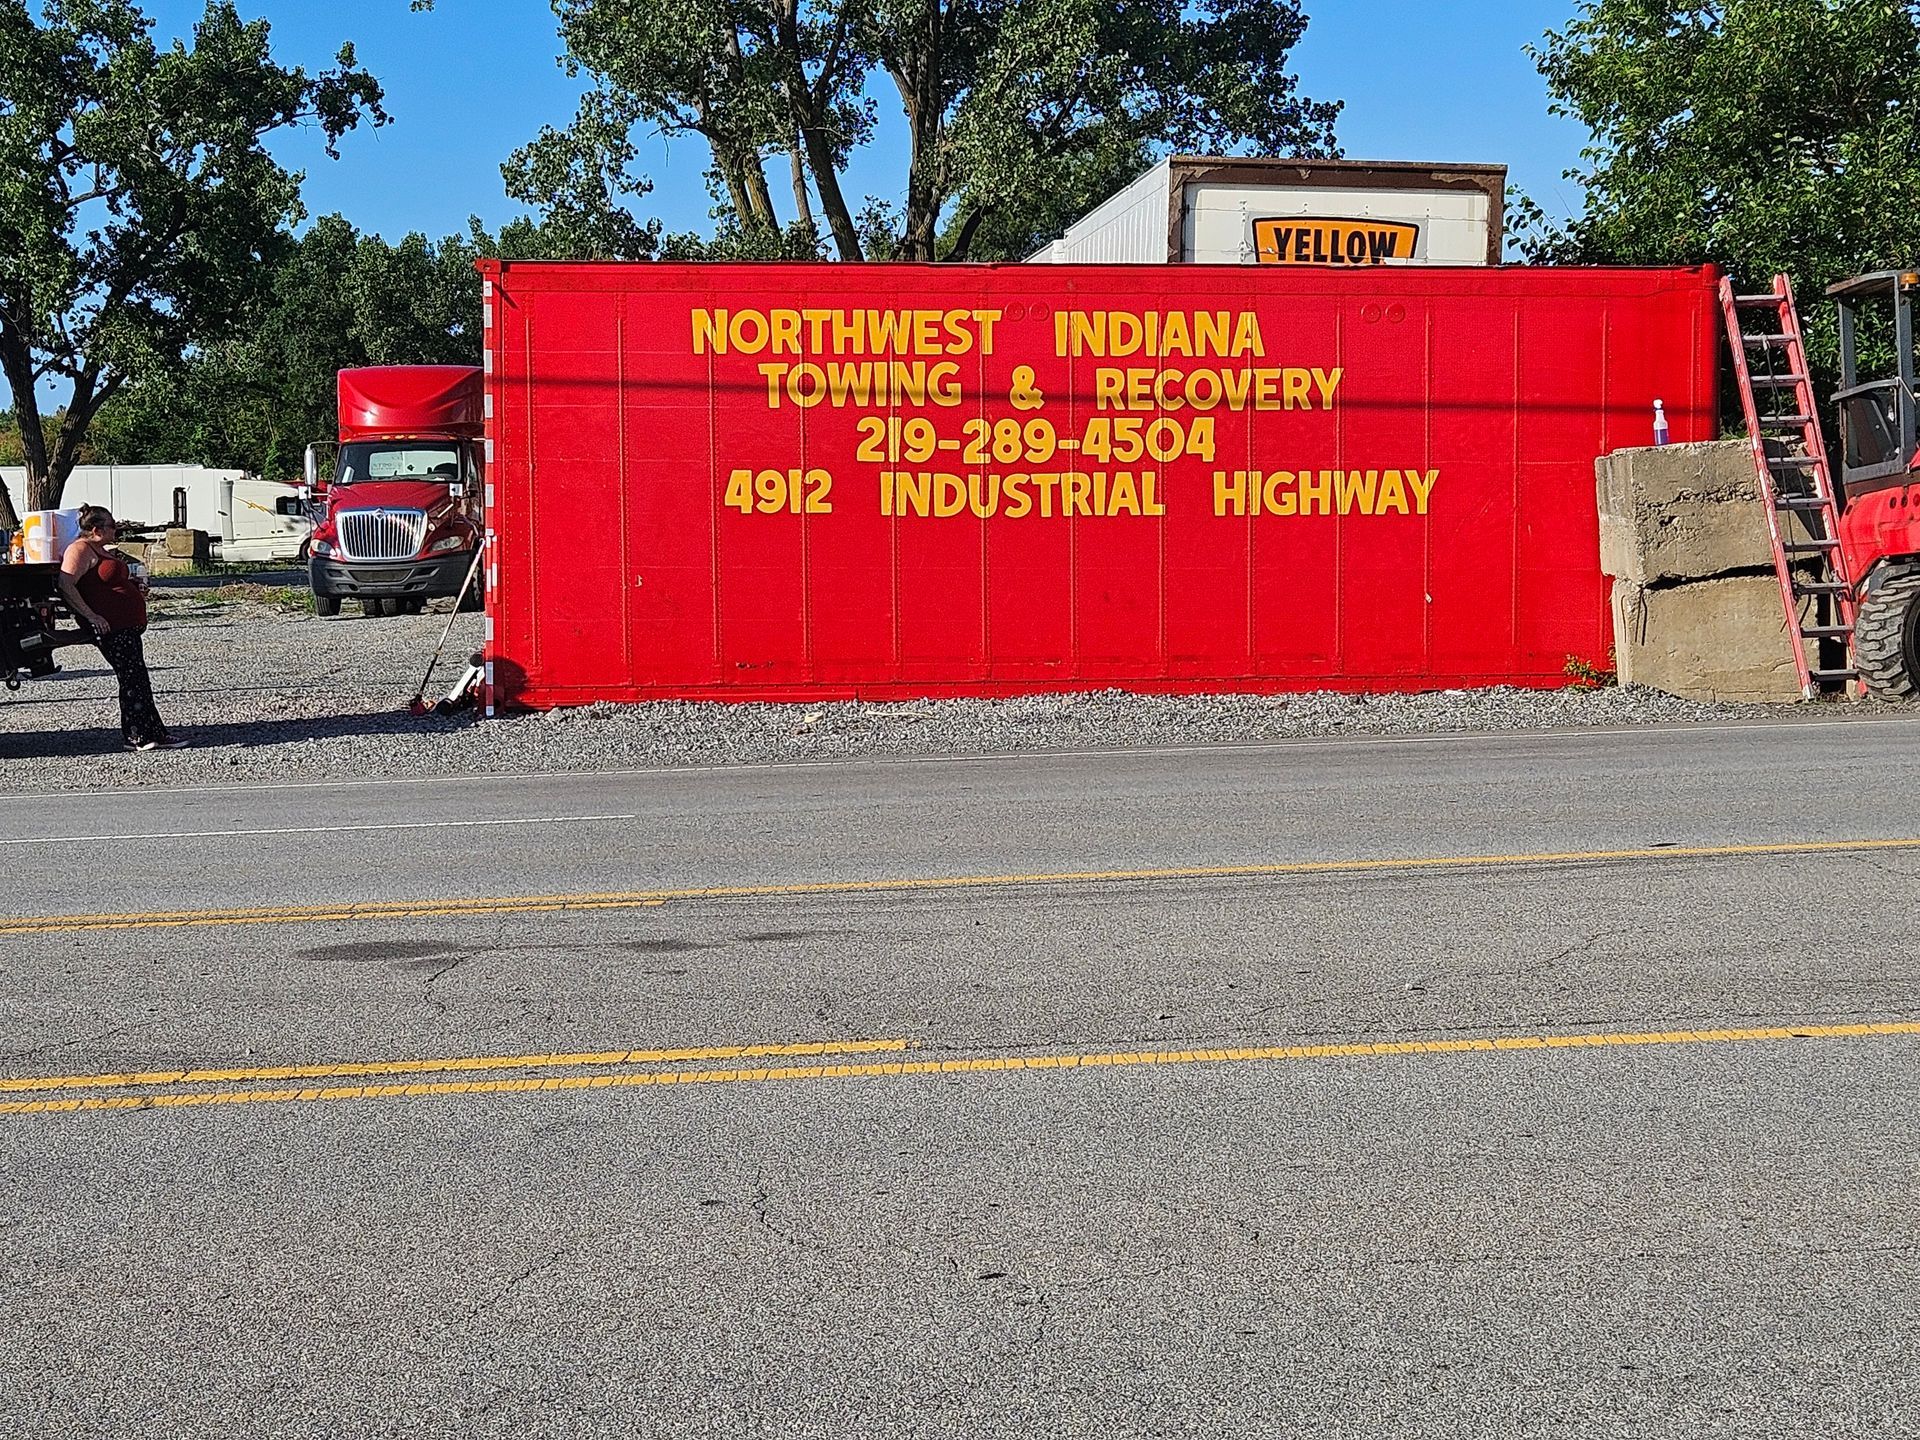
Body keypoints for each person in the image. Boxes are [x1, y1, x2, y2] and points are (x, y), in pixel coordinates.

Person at [56, 505, 186, 751]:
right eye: (112, 525)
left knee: (138, 678)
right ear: (96, 529)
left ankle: (154, 733)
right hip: (111, 627)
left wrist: (131, 585)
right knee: (131, 679)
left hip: (125, 626)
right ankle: (137, 736)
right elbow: (66, 584)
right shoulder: (80, 549)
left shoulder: (100, 550)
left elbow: (107, 581)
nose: (116, 529)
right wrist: (91, 616)